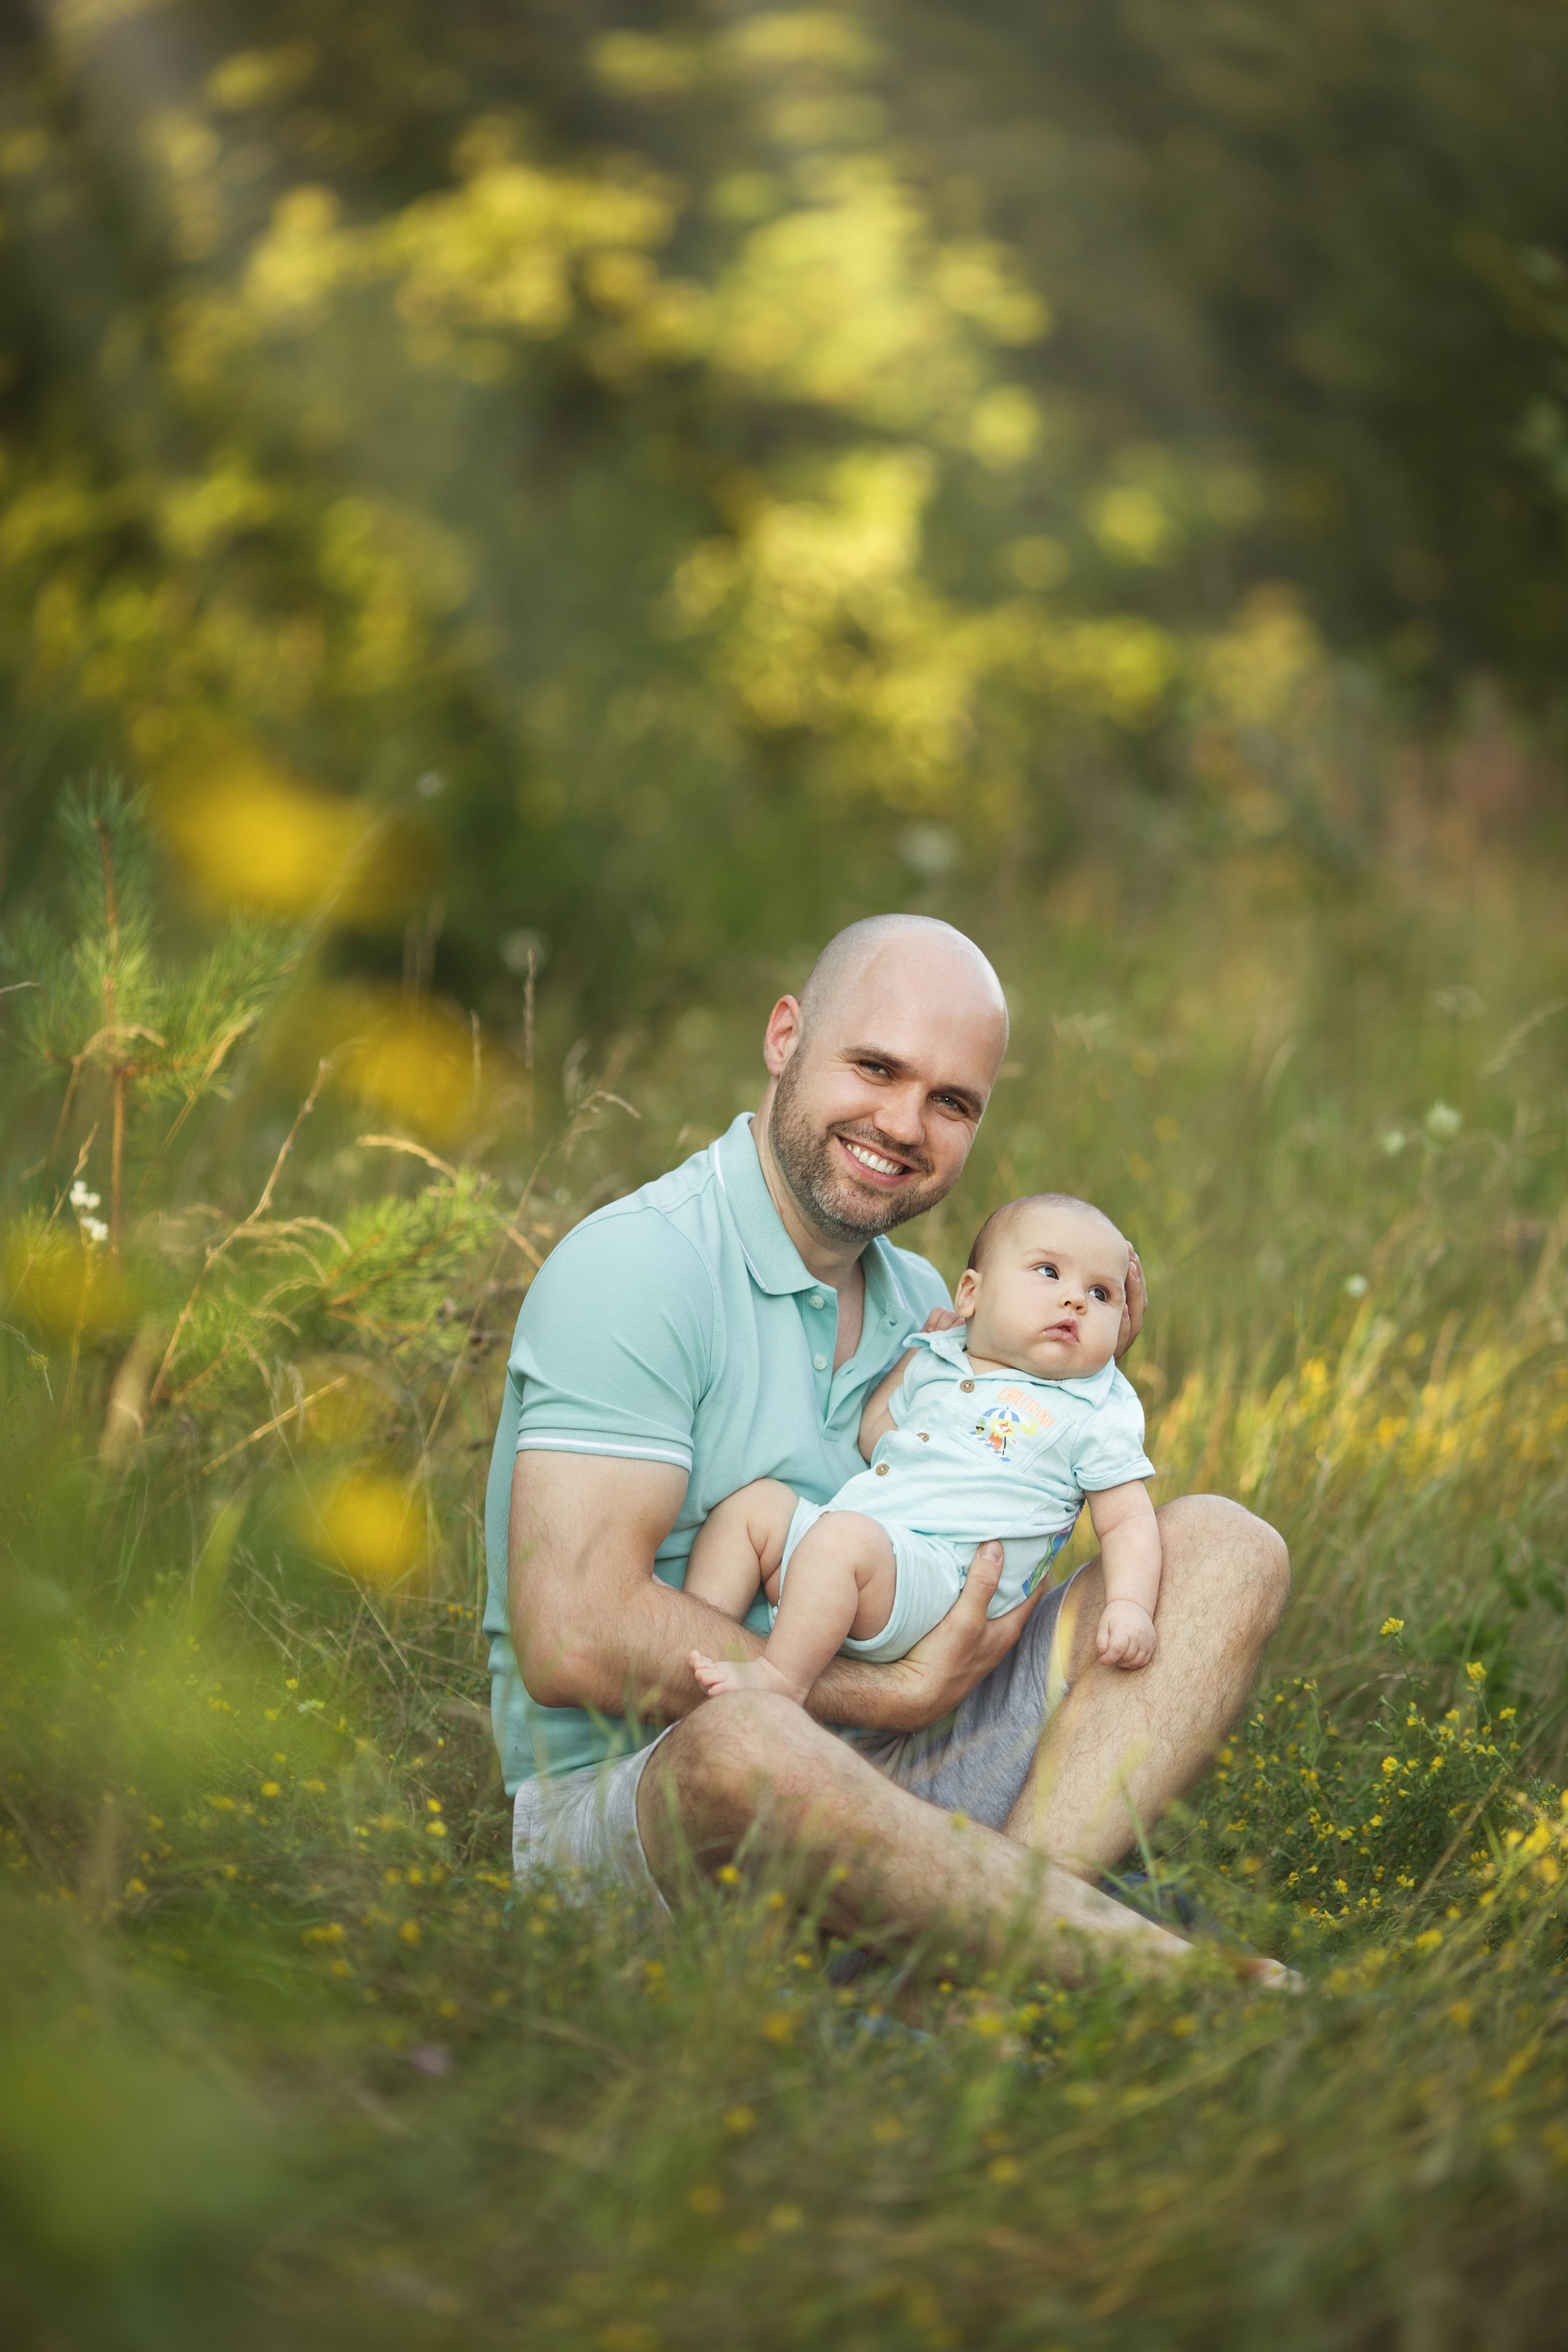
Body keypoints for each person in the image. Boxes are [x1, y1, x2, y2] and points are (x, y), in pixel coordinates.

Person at [483, 914, 1291, 1983]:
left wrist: (1088, 1362)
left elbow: (1034, 1482)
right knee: (749, 1744)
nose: (904, 1123)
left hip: (906, 1758)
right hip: (660, 1787)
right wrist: (887, 1697)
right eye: (875, 1067)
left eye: (952, 1102)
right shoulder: (641, 1268)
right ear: (784, 1039)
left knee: (1227, 1547)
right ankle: (1148, 1978)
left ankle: (972, 1970)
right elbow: (572, 1636)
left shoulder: (936, 1311)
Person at [686, 1194, 1163, 1705]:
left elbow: (1127, 1520)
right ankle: (692, 1641)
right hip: (856, 1547)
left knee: (840, 1542)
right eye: (1048, 1272)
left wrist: (1131, 1604)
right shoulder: (941, 1358)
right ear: (970, 1295)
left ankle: (780, 1681)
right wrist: (914, 1359)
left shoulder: (1093, 1407)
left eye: (1101, 1293)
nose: (1076, 1301)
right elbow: (875, 1436)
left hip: (937, 1582)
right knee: (752, 1508)